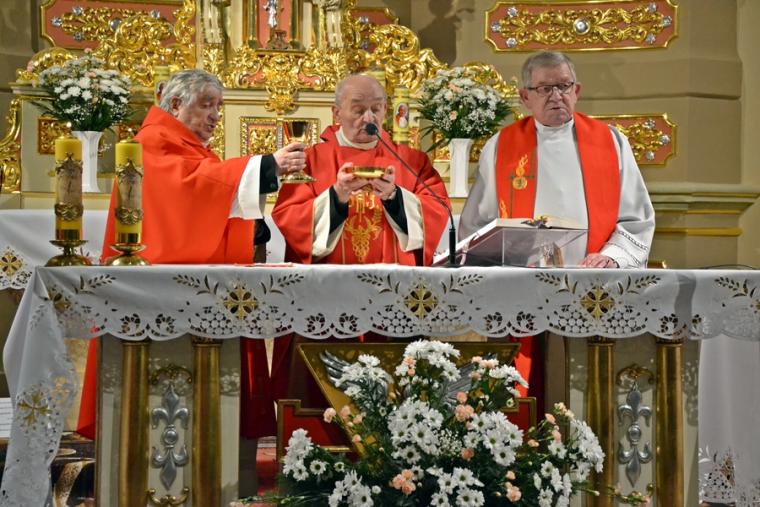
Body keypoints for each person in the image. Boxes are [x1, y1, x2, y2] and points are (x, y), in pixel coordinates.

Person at [84, 69, 306, 442]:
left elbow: (207, 189)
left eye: (218, 106)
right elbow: (191, 191)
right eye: (206, 105)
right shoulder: (152, 142)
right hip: (159, 292)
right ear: (175, 104)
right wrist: (267, 165)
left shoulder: (187, 146)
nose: (215, 115)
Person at [459, 51, 655, 409]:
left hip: (592, 287)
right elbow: (477, 226)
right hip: (521, 291)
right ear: (525, 96)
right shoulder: (501, 147)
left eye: (564, 86)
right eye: (545, 89)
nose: (556, 96)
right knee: (527, 392)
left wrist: (612, 257)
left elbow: (636, 219)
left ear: (577, 90)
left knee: (584, 395)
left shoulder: (610, 142)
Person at [270, 74, 450, 404]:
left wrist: (395, 196)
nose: (369, 118)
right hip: (327, 299)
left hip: (394, 298)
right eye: (358, 109)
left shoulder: (410, 160)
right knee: (323, 398)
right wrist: (336, 196)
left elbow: (438, 212)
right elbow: (290, 218)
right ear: (336, 112)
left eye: (376, 109)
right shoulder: (312, 159)